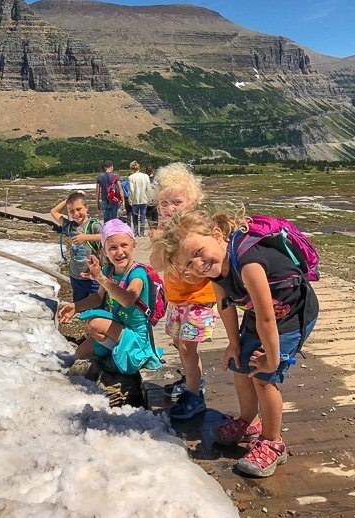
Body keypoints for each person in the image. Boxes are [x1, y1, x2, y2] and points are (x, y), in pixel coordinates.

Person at [154, 209, 319, 477]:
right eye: (189, 264)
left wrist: (272, 359)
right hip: (259, 314)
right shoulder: (214, 270)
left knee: (264, 378)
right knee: (241, 363)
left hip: (291, 315)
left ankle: (273, 442)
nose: (198, 264)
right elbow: (225, 305)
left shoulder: (248, 263)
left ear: (217, 235)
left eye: (198, 252)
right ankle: (248, 421)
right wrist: (233, 343)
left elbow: (268, 318)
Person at [149, 162, 217, 419]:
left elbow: (209, 263)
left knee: (188, 347)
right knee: (180, 344)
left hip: (199, 298)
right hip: (176, 298)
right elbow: (156, 265)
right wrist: (157, 243)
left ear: (193, 201)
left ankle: (194, 396)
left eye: (177, 202)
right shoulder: (165, 231)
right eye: (164, 203)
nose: (170, 209)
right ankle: (192, 381)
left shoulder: (197, 227)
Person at [58, 219, 162, 374]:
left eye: (124, 245)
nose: (119, 252)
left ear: (134, 245)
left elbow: (128, 300)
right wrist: (76, 306)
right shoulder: (109, 271)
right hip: (119, 327)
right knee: (78, 355)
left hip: (137, 335)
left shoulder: (137, 274)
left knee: (95, 324)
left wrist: (101, 279)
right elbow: (98, 298)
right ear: (105, 251)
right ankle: (114, 351)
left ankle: (124, 354)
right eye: (112, 248)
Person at [50, 191, 102, 303]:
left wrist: (86, 237)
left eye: (79, 209)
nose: (76, 214)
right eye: (71, 211)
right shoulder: (70, 227)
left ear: (86, 207)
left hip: (93, 277)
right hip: (76, 277)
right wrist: (67, 199)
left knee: (97, 306)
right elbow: (54, 211)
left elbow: (106, 236)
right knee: (79, 306)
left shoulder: (93, 225)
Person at [128, 161, 151, 236]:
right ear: (139, 168)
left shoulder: (131, 177)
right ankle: (142, 232)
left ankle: (136, 232)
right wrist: (149, 197)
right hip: (144, 199)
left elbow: (131, 190)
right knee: (142, 217)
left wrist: (130, 200)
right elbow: (148, 188)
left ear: (131, 168)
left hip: (135, 200)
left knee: (135, 217)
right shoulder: (145, 176)